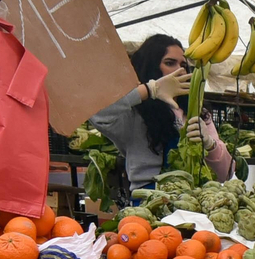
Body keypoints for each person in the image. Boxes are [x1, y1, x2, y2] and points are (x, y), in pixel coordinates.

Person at [90, 35, 232, 190]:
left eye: (183, 65)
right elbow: (96, 114)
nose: (180, 70)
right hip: (151, 199)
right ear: (151, 66)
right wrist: (150, 89)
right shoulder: (134, 113)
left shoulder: (198, 112)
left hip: (193, 198)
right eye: (170, 63)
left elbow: (226, 173)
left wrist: (210, 145)